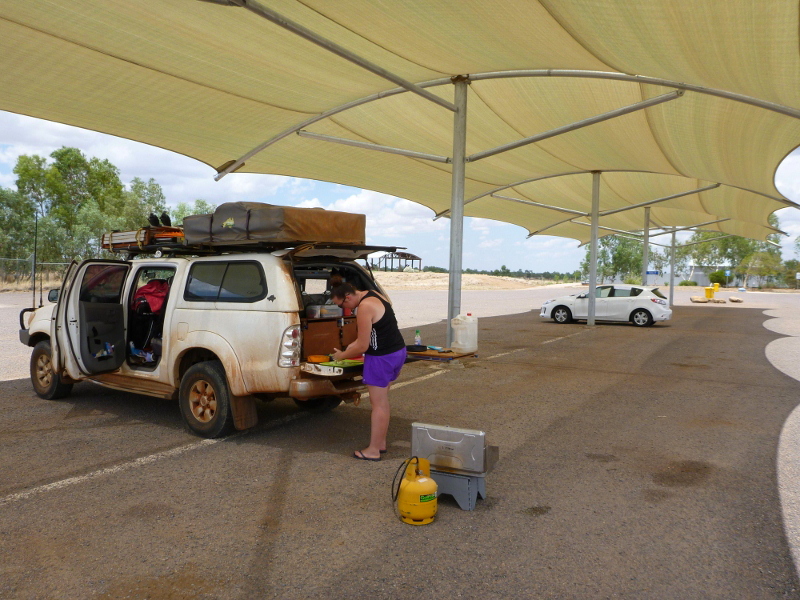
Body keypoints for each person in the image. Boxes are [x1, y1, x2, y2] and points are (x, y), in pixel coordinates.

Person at [330, 282, 406, 461]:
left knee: (378, 404)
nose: (345, 310)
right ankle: (380, 443)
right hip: (397, 352)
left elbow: (363, 346)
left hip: (381, 358)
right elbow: (375, 332)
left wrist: (341, 356)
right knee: (382, 401)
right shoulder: (374, 294)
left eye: (341, 306)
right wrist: (353, 345)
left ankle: (373, 451)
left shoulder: (364, 307)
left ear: (348, 297)